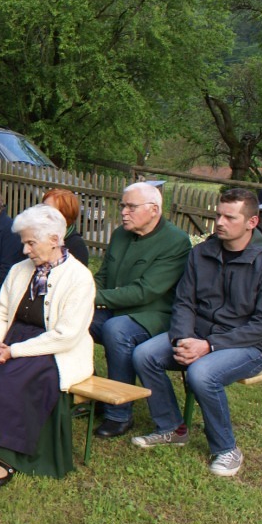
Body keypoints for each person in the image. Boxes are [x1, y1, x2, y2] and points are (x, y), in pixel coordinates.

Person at [0, 205, 95, 486]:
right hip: (10, 338)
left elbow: (66, 335)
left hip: (52, 349)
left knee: (13, 380)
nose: (25, 250)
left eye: (31, 243)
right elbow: (0, 312)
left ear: (54, 239)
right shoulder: (20, 270)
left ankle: (7, 456)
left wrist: (13, 351)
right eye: (24, 242)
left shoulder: (79, 278)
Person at [132, 189, 262, 477]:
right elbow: (184, 302)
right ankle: (172, 428)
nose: (220, 222)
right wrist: (182, 338)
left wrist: (209, 345)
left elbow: (260, 325)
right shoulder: (202, 252)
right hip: (197, 334)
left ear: (251, 222)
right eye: (218, 215)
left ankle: (226, 448)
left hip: (249, 344)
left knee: (202, 374)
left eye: (230, 217)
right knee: (144, 354)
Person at [89, 182, 191, 438]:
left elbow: (146, 291)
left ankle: (119, 414)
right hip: (117, 307)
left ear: (154, 209)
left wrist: (90, 297)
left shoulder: (176, 241)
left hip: (154, 315)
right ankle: (91, 393)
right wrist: (85, 297)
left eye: (131, 207)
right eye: (123, 205)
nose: (124, 212)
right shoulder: (120, 234)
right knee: (76, 318)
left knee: (117, 330)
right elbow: (103, 276)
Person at [42, 188, 89, 265]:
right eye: (42, 207)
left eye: (49, 210)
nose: (42, 213)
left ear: (64, 214)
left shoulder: (76, 245)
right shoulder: (35, 236)